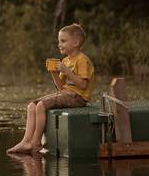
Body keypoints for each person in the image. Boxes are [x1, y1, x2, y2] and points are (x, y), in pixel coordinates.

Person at [6, 23, 95, 154]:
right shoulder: (65, 61)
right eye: (59, 41)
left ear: (75, 43)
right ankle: (25, 141)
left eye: (63, 41)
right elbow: (60, 88)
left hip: (78, 98)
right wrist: (53, 72)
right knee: (32, 106)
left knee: (41, 106)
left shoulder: (82, 60)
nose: (59, 44)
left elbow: (83, 85)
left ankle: (36, 143)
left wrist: (66, 71)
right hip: (66, 94)